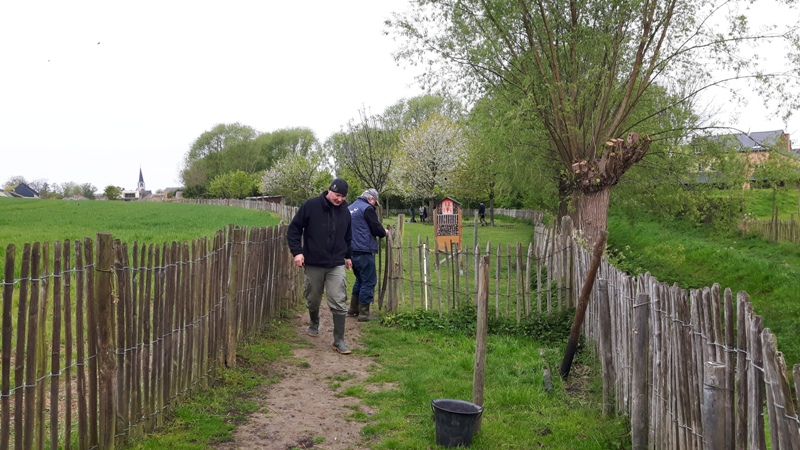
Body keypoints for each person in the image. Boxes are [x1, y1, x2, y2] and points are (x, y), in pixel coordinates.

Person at [287, 177, 354, 354]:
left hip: (336, 264)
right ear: (329, 191)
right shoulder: (311, 206)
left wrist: (348, 256)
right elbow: (294, 229)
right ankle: (314, 321)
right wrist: (297, 252)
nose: (340, 199)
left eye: (343, 197)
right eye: (337, 195)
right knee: (313, 298)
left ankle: (338, 340)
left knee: (338, 300)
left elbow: (348, 235)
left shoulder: (345, 212)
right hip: (314, 262)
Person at [347, 189, 389, 322]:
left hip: (351, 250)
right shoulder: (367, 209)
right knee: (369, 281)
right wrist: (384, 232)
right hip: (363, 249)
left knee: (359, 279)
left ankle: (353, 309)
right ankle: (364, 313)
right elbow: (376, 228)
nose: (374, 205)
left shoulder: (350, 208)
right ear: (371, 199)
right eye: (374, 203)